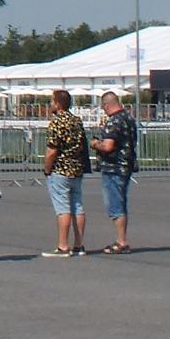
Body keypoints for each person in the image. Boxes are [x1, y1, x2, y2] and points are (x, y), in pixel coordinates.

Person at [41, 88, 89, 257]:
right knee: (77, 206)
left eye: (52, 102)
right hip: (76, 168)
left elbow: (52, 150)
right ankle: (79, 244)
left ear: (58, 104)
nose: (50, 105)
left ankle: (63, 246)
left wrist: (47, 169)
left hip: (60, 169)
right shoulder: (77, 121)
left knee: (63, 208)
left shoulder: (56, 122)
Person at [90, 90, 139, 254]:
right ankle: (122, 239)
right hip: (126, 165)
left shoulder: (114, 121)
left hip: (113, 167)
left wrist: (96, 144)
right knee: (121, 201)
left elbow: (108, 146)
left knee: (115, 204)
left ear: (106, 105)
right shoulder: (129, 118)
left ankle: (121, 241)